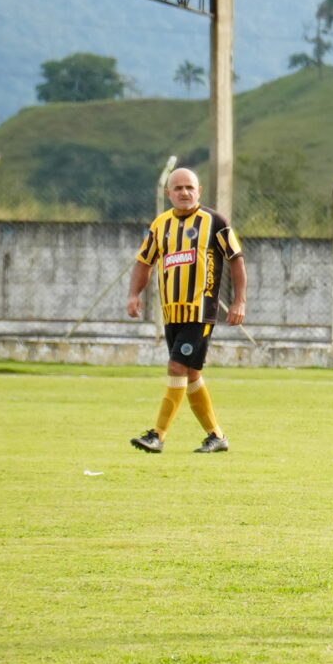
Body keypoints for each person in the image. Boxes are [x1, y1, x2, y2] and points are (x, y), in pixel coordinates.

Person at [126, 166, 245, 454]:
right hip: (171, 312)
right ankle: (216, 436)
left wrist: (239, 300)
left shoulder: (215, 221)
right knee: (190, 374)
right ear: (168, 193)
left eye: (189, 187)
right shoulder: (160, 225)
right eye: (177, 188)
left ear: (199, 191)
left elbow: (236, 259)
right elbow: (145, 262)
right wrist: (133, 294)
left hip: (200, 310)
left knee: (177, 366)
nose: (184, 192)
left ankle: (158, 435)